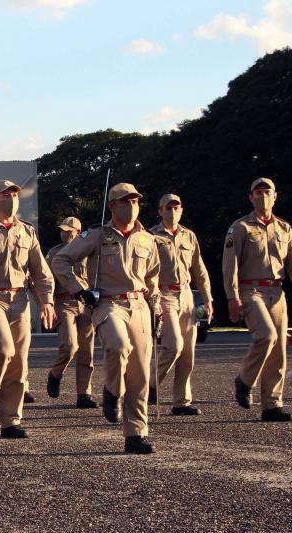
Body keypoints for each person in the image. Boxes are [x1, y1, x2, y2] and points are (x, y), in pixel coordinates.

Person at [52, 182, 160, 454]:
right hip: (108, 304)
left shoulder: (147, 238)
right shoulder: (97, 234)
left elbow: (153, 276)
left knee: (140, 373)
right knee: (118, 345)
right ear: (112, 205)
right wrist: (80, 290)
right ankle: (112, 390)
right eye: (125, 201)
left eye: (135, 201)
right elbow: (61, 261)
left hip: (139, 305)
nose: (131, 206)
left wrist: (155, 304)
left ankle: (136, 433)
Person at [0, 180, 56, 439]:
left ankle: (10, 422)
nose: (12, 198)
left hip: (20, 300)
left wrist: (47, 301)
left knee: (19, 363)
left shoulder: (26, 232)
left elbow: (40, 271)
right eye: (6, 194)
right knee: (3, 349)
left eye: (15, 194)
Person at [223, 177, 292, 421]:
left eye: (266, 191)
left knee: (279, 351)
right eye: (257, 192)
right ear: (250, 197)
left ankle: (272, 405)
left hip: (277, 292)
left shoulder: (284, 228)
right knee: (266, 336)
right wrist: (232, 297)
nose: (262, 195)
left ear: (275, 196)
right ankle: (244, 381)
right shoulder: (239, 228)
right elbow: (230, 266)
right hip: (251, 291)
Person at [150, 194, 213, 415]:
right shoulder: (151, 236)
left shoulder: (189, 236)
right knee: (173, 346)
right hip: (164, 294)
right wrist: (153, 298)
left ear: (181, 210)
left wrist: (207, 299)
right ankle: (150, 385)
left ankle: (182, 402)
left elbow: (200, 270)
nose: (172, 211)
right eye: (168, 208)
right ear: (160, 211)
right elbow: (146, 272)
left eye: (176, 207)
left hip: (186, 295)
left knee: (188, 353)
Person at [44, 217, 98, 409]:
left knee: (86, 351)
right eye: (62, 230)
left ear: (78, 231)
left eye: (69, 231)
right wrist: (47, 303)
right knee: (69, 345)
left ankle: (84, 394)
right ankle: (55, 374)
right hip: (63, 301)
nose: (64, 233)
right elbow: (46, 280)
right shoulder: (54, 253)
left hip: (85, 304)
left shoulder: (88, 251)